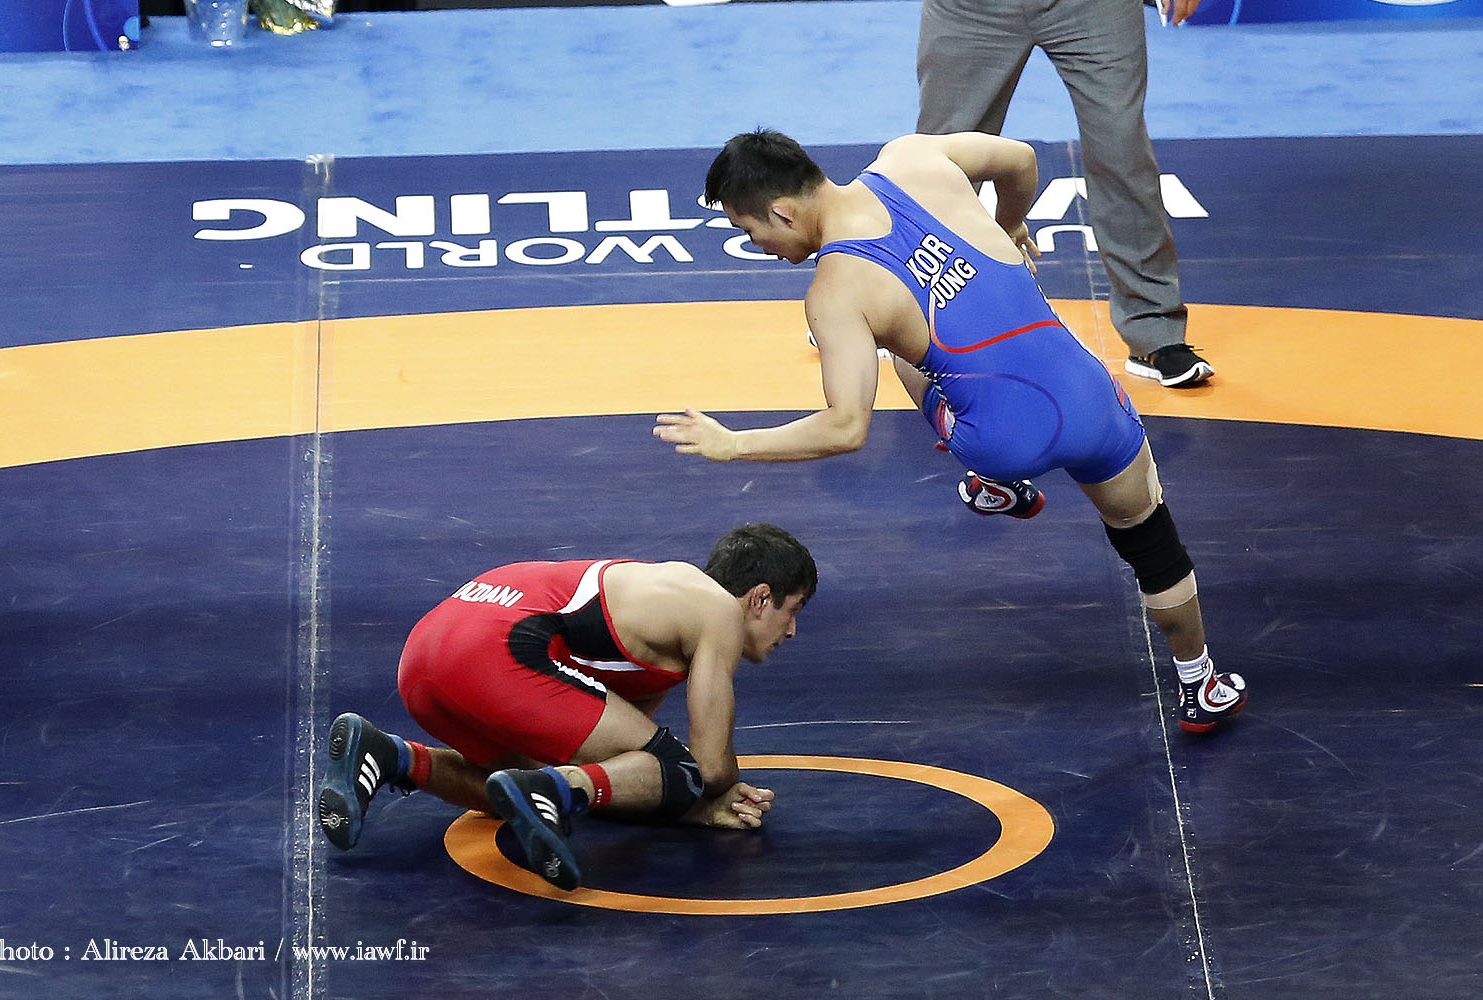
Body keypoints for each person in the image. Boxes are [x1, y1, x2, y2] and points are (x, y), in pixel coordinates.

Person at [654, 129, 1245, 735]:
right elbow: (1022, 160)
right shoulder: (913, 158)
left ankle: (995, 479)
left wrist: (734, 444)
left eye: (750, 231)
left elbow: (846, 427)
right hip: (1089, 401)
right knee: (1148, 538)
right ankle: (1200, 680)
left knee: (908, 352)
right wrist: (1008, 227)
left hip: (998, 441)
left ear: (782, 211)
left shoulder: (837, 291)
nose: (759, 247)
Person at [317, 522, 817, 891]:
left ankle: (391, 756)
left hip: (427, 652)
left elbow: (624, 774)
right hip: (494, 648)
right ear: (759, 598)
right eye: (793, 610)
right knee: (675, 768)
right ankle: (550, 793)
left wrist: (683, 806)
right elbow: (710, 770)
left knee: (520, 788)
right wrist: (712, 801)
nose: (793, 632)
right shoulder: (719, 610)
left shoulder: (663, 606)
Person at [916, 0, 1215, 388]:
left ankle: (1154, 329)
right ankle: (907, 315)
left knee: (1122, 147)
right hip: (974, 7)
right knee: (942, 159)